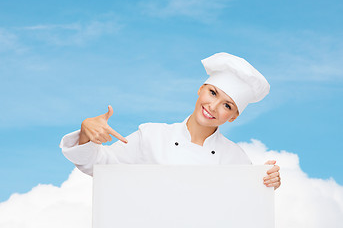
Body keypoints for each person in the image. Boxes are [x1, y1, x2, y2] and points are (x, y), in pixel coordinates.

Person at [60, 52, 281, 190]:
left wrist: (266, 183)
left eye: (227, 105)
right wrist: (85, 134)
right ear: (201, 89)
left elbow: (244, 208)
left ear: (233, 116)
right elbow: (99, 167)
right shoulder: (152, 136)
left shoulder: (236, 158)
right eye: (213, 93)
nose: (213, 107)